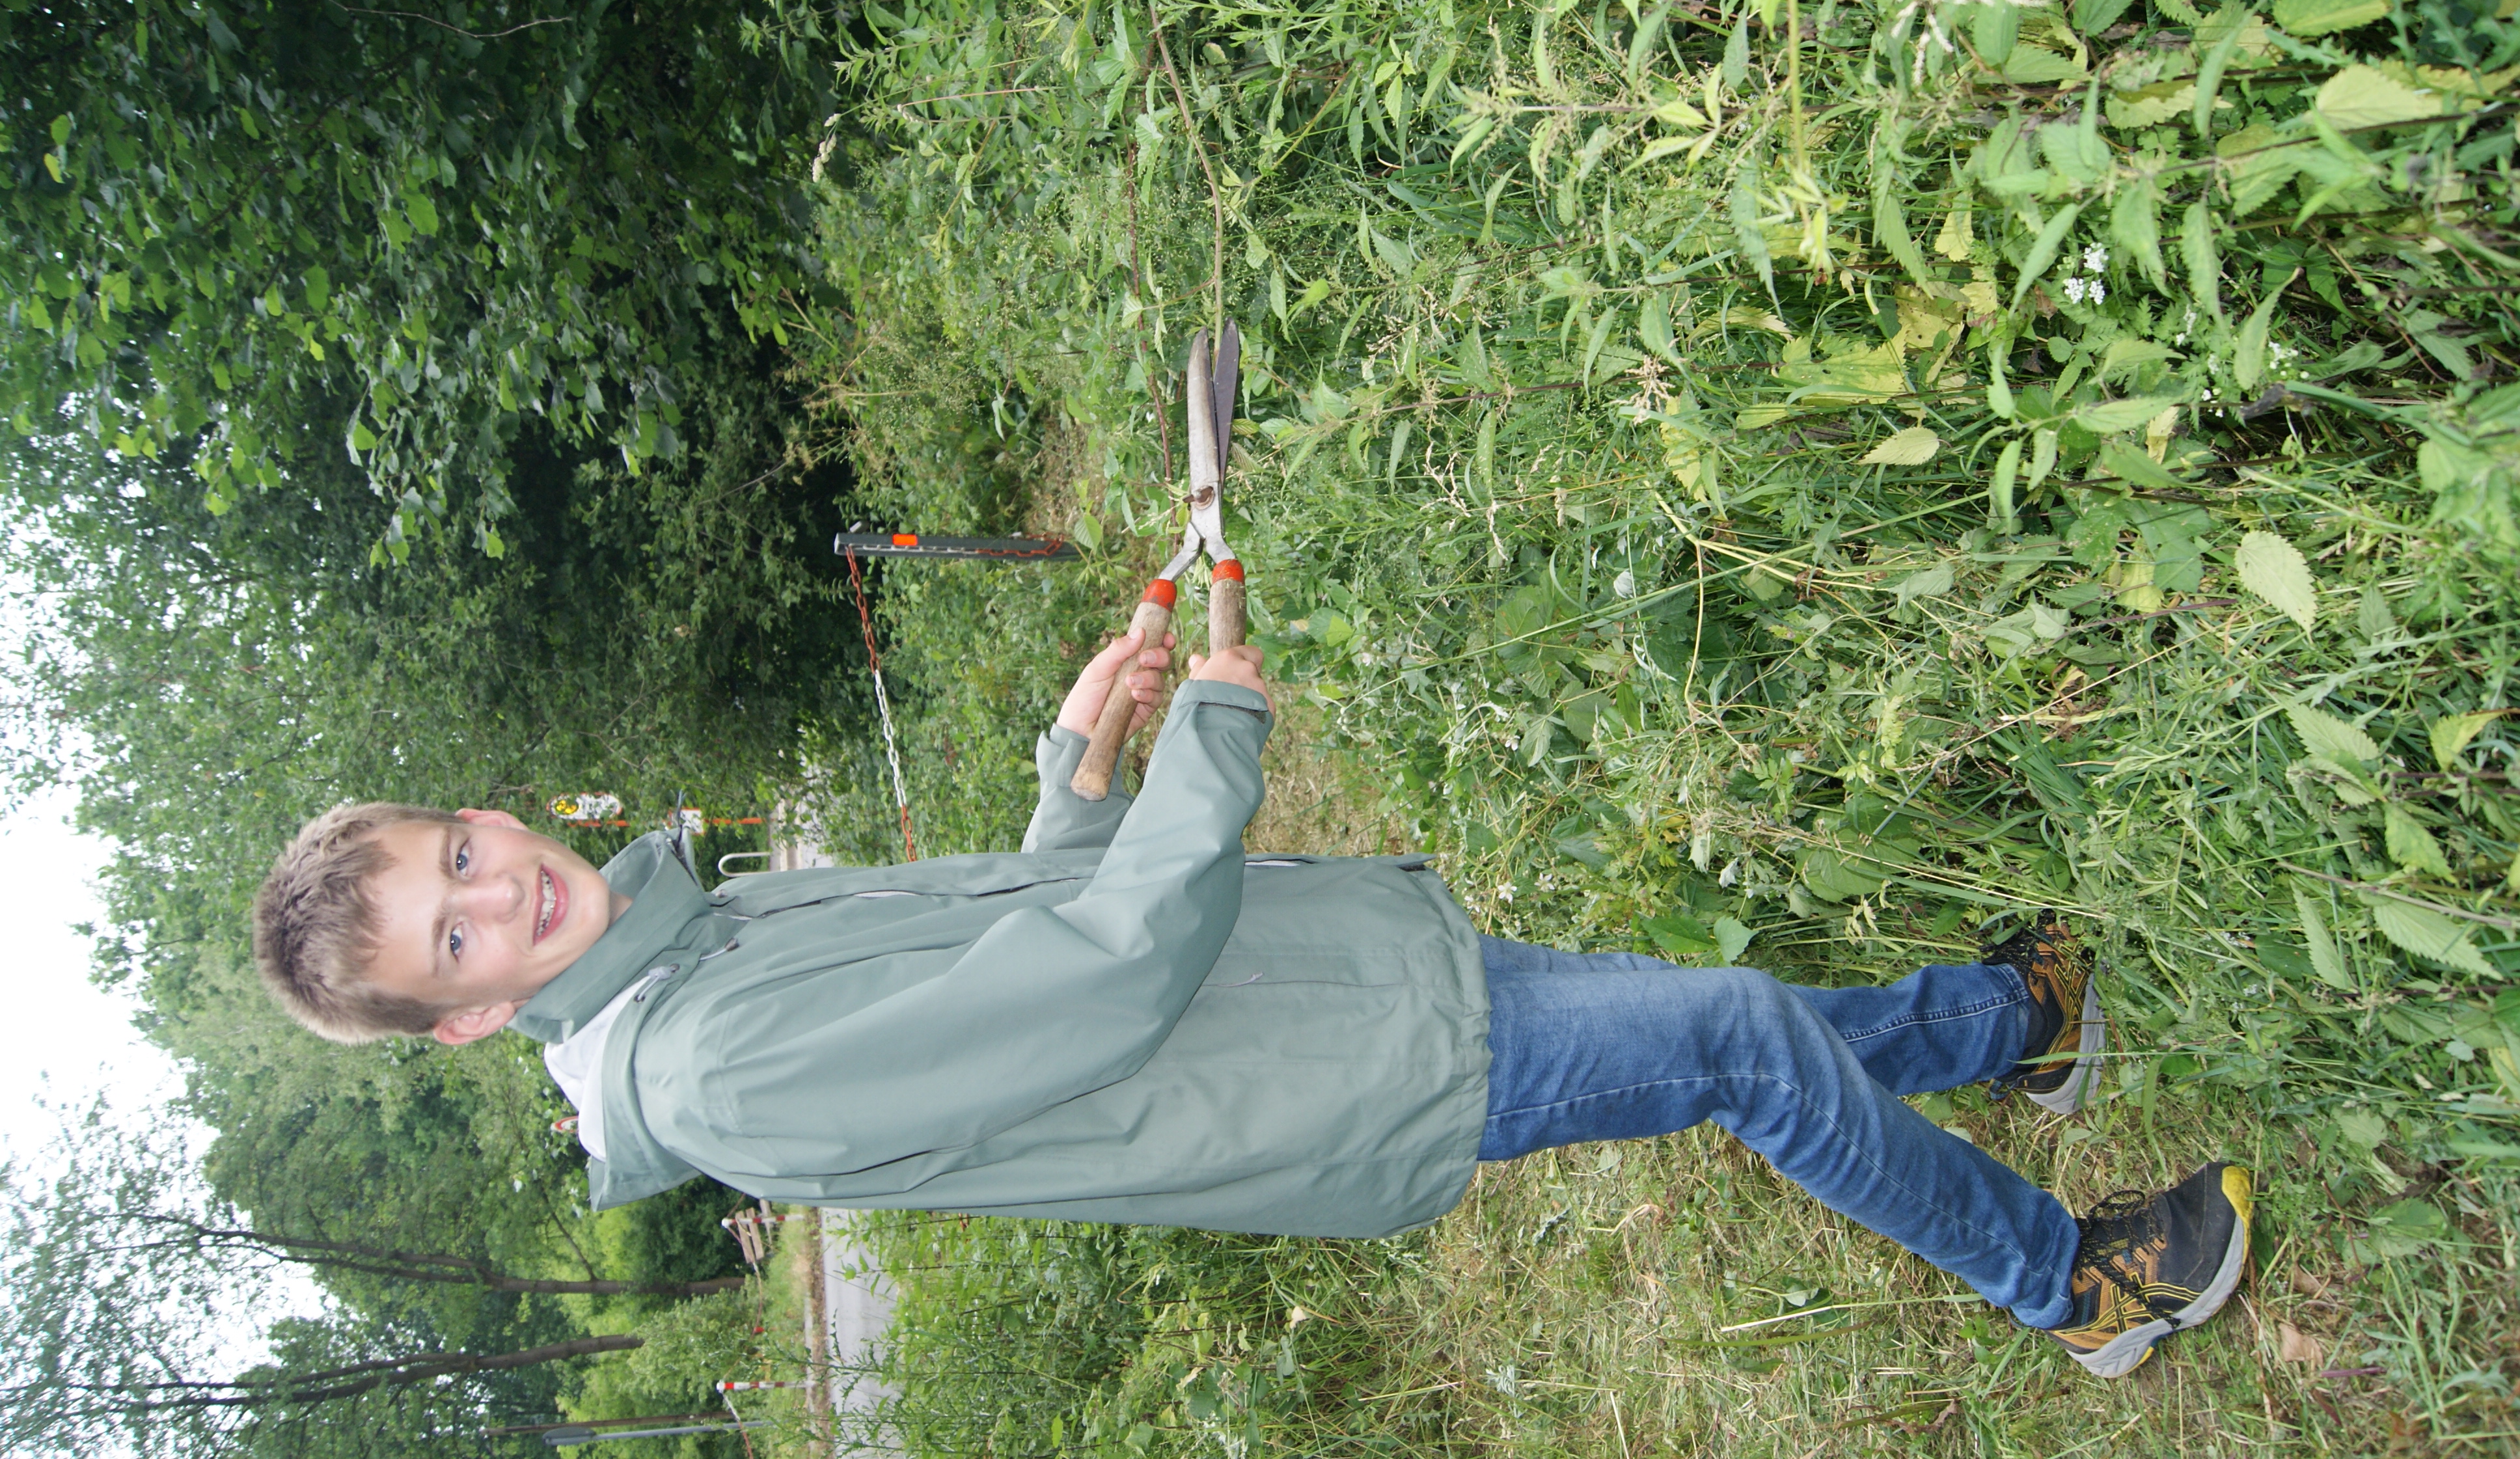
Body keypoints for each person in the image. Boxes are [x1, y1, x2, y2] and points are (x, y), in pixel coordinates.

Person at [252, 630, 2250, 1380]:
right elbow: (1092, 988)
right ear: (460, 1021)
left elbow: (1018, 927)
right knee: (1730, 1037)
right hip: (1336, 1066)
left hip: (1337, 972)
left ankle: (2011, 1035)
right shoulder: (707, 1060)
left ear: (483, 815)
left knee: (1716, 1012)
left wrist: (1078, 766)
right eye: (455, 940)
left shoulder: (704, 940)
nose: (494, 890)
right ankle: (2066, 1287)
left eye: (457, 854)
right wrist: (1215, 744)